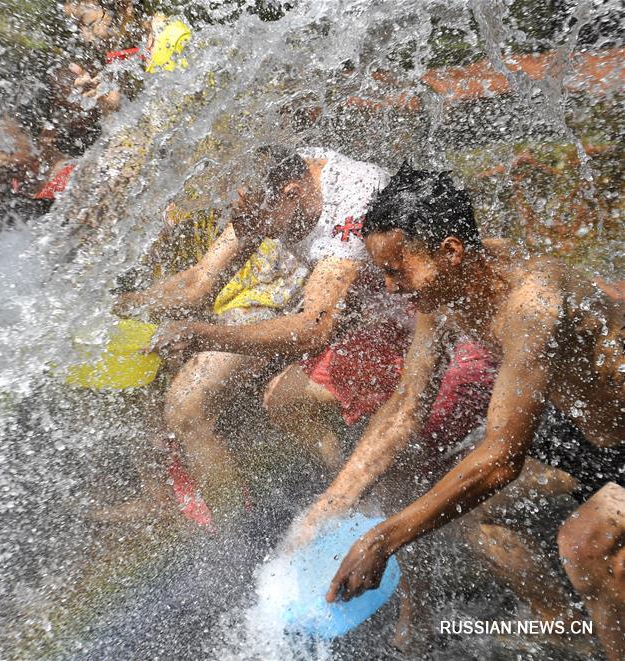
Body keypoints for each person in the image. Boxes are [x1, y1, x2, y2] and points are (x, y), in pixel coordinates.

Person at [315, 165, 624, 659]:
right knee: (465, 512)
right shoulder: (445, 290)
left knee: (586, 546)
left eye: (397, 271)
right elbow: (405, 408)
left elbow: (502, 459)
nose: (392, 289)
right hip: (579, 429)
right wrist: (332, 503)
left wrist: (381, 539)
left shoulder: (532, 304)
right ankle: (571, 637)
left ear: (451, 251)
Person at [118, 147, 491, 525]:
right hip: (371, 317)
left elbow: (316, 329)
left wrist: (200, 335)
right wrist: (119, 307)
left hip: (423, 324)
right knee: (285, 400)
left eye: (250, 218)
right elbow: (200, 282)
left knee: (420, 479)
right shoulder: (270, 184)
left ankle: (372, 501)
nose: (242, 228)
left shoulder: (352, 203)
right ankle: (341, 506)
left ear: (291, 194)